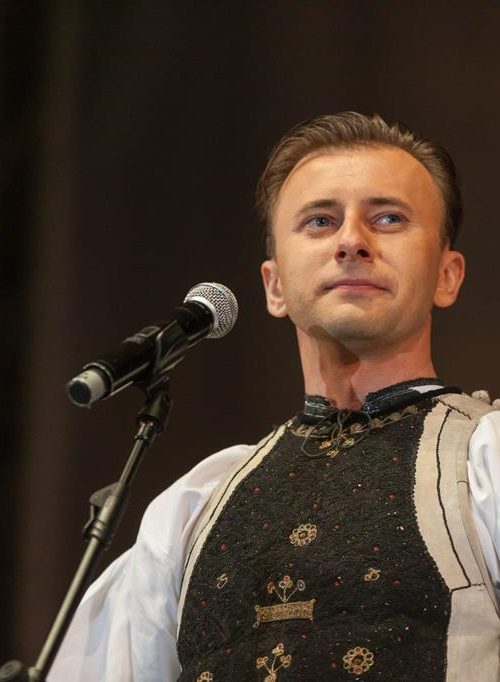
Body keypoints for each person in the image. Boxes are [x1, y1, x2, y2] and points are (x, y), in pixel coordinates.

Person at [48, 113, 500, 681]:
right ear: (276, 285)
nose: (351, 242)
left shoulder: (486, 463)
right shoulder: (191, 512)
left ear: (447, 275)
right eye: (320, 221)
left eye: (388, 218)